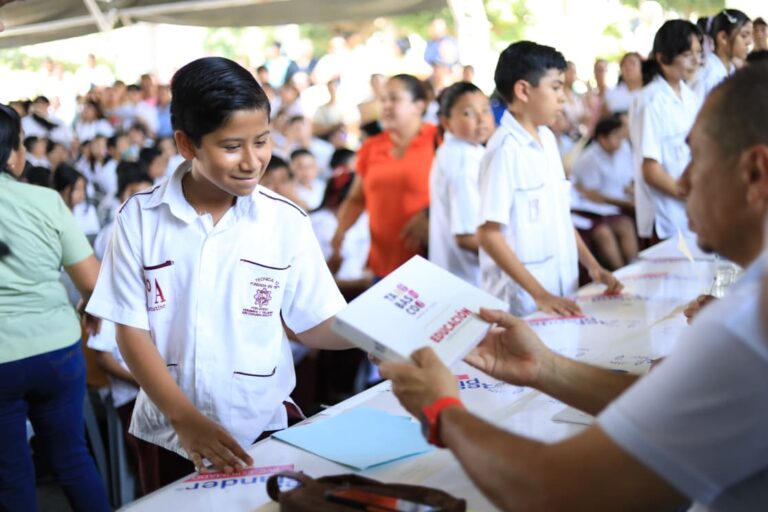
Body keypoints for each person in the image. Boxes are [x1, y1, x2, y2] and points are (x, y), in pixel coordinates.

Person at [380, 62, 768, 511]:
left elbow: (556, 490)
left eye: (696, 159)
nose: (682, 181)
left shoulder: (746, 324)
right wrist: (545, 367)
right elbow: (668, 410)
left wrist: (440, 410)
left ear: (755, 173)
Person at [85, 57, 352, 491]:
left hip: (260, 426)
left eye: (262, 141)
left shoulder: (286, 221)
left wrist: (373, 335)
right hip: (171, 435)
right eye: (232, 146)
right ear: (186, 144)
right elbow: (131, 332)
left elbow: (313, 320)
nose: (252, 161)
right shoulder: (139, 219)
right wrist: (185, 418)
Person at [0, 103, 109, 511]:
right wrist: (88, 307)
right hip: (58, 351)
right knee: (73, 460)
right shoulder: (44, 200)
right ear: (12, 154)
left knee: (11, 475)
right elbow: (93, 283)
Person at [477, 41, 621, 317]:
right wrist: (539, 294)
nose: (563, 98)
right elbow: (489, 235)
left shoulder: (547, 138)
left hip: (559, 290)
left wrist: (593, 266)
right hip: (525, 302)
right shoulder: (504, 151)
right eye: (555, 87)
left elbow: (560, 215)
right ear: (523, 90)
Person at [332, 74, 438, 280]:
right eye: (383, 100)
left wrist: (430, 214)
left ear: (419, 105)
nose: (386, 106)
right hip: (383, 268)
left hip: (431, 265)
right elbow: (356, 199)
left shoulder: (438, 139)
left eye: (394, 99)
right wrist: (339, 234)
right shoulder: (372, 146)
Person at [631, 19, 702, 244]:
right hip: (665, 219)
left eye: (698, 53)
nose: (696, 61)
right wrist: (692, 196)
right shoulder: (651, 100)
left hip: (689, 214)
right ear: (663, 58)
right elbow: (651, 171)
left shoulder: (690, 97)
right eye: (688, 55)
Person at [428, 82, 493, 287]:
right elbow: (466, 236)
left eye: (485, 110)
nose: (481, 119)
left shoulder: (462, 150)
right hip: (470, 279)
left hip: (454, 275)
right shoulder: (464, 162)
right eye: (468, 113)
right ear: (446, 122)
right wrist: (513, 262)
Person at [570, 116, 637, 269]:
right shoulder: (589, 159)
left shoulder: (624, 148)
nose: (621, 140)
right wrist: (625, 203)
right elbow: (591, 194)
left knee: (626, 225)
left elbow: (627, 180)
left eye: (621, 136)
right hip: (589, 209)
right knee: (604, 234)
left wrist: (634, 193)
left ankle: (634, 269)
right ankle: (620, 273)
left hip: (613, 206)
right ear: (602, 140)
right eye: (616, 136)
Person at [692, 9, 752, 101]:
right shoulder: (707, 73)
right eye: (744, 35)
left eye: (750, 36)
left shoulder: (731, 69)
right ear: (723, 37)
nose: (749, 42)